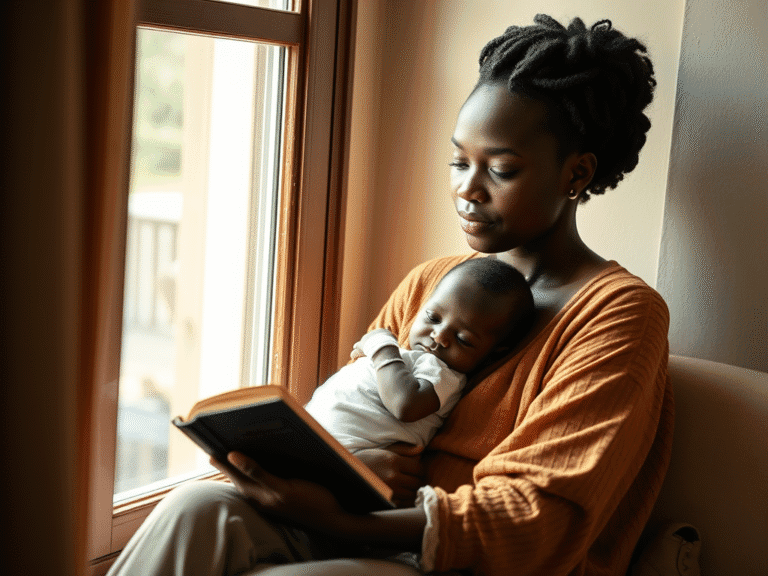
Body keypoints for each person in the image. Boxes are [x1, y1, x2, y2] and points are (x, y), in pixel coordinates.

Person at [106, 14, 673, 576]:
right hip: (368, 525)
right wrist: (353, 466)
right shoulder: (434, 282)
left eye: (500, 170)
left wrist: (348, 523)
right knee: (195, 506)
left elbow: (537, 518)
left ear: (577, 174)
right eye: (458, 161)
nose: (466, 189)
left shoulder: (619, 315)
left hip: (464, 561)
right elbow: (363, 411)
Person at [305, 258, 533, 456]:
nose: (439, 335)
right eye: (433, 317)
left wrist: (382, 347)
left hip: (344, 456)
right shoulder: (410, 356)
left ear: (494, 353)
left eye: (463, 339)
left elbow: (404, 404)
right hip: (313, 436)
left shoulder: (443, 375)